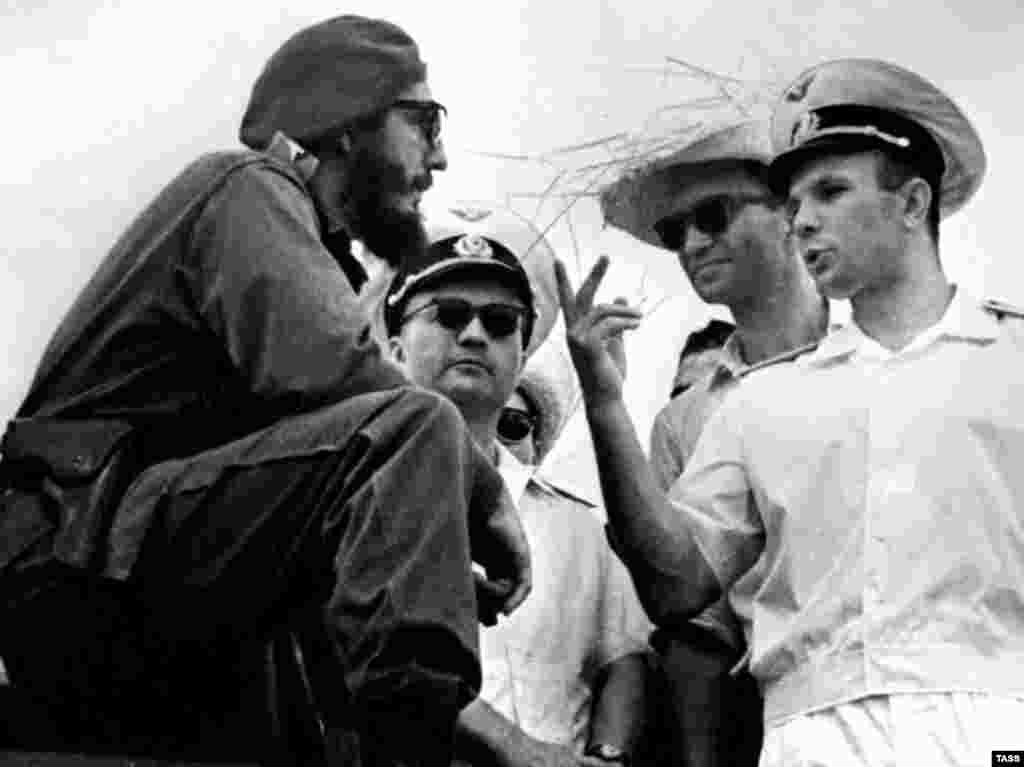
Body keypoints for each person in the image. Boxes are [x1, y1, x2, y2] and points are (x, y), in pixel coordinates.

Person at [0, 16, 531, 766]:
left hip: (115, 571)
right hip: (77, 558)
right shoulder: (246, 188)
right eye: (423, 122)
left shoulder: (297, 238)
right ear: (344, 124)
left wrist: (408, 548)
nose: (438, 157)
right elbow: (328, 371)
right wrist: (484, 494)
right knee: (415, 426)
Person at [557, 58, 1024, 766]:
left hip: (988, 722)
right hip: (810, 734)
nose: (804, 218)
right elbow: (677, 586)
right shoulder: (761, 401)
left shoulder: (1013, 357)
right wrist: (603, 403)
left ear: (913, 201)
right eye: (796, 199)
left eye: (831, 190)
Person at [601, 119, 834, 766]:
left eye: (712, 215)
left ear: (790, 215)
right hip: (778, 714)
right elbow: (694, 626)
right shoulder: (685, 421)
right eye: (675, 232)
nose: (693, 244)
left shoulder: (883, 353)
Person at [385, 214, 652, 767]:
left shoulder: (577, 527)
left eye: (502, 321)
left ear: (521, 355)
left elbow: (624, 657)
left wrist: (606, 755)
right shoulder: (358, 501)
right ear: (393, 349)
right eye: (449, 315)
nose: (476, 334)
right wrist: (522, 754)